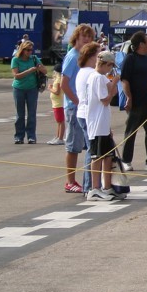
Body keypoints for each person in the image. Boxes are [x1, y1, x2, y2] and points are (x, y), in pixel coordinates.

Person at [84, 51, 124, 201]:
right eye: (111, 66)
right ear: (106, 64)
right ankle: (95, 188)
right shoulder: (98, 78)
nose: (111, 69)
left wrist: (112, 83)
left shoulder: (99, 78)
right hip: (97, 124)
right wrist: (114, 82)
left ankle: (107, 187)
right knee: (98, 156)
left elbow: (111, 91)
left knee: (107, 156)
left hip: (102, 123)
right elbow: (105, 99)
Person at [60, 24, 96, 193]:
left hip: (84, 107)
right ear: (77, 37)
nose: (87, 39)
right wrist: (77, 101)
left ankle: (84, 180)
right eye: (84, 37)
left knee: (85, 145)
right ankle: (70, 181)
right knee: (73, 146)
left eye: (89, 37)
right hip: (74, 107)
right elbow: (64, 84)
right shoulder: (72, 56)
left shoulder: (83, 56)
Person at [119, 32, 147, 172]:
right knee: (131, 132)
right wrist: (129, 97)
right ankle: (125, 160)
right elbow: (124, 80)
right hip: (136, 103)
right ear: (141, 44)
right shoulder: (130, 59)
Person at [10, 40, 46, 144]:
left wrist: (41, 68)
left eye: (31, 50)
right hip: (19, 89)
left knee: (32, 114)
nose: (30, 52)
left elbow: (45, 71)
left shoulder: (34, 59)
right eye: (28, 50)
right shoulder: (15, 60)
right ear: (22, 49)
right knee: (20, 114)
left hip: (32, 89)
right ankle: (19, 136)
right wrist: (29, 71)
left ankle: (31, 136)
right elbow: (16, 76)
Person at [46, 64, 66, 144]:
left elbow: (57, 92)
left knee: (60, 121)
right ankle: (58, 137)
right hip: (56, 103)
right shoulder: (58, 79)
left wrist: (50, 88)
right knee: (59, 121)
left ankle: (60, 138)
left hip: (58, 103)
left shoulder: (58, 80)